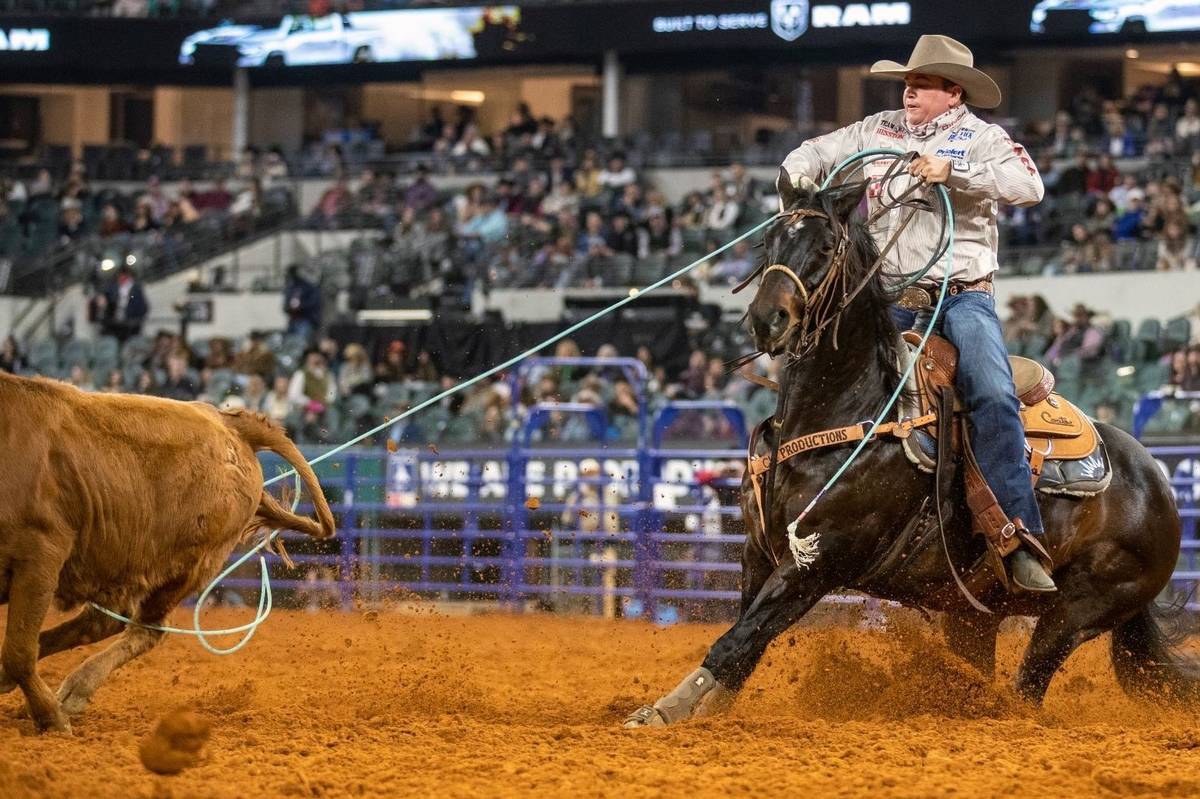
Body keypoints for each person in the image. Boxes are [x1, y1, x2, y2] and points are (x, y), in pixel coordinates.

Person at [781, 35, 1055, 592]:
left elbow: (1028, 186)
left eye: (922, 83)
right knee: (816, 367)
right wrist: (799, 176)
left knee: (992, 394)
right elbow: (812, 151)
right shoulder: (873, 131)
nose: (909, 91)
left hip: (961, 297)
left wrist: (954, 174)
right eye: (908, 82)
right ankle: (794, 497)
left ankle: (1018, 534)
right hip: (886, 297)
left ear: (953, 93)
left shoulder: (983, 139)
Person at [100, 265, 149, 343]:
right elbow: (108, 298)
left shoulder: (135, 289)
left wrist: (136, 319)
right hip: (115, 322)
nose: (121, 279)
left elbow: (142, 306)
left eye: (123, 276)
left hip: (129, 322)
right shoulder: (113, 287)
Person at [283, 265, 321, 341]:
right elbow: (286, 304)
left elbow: (313, 303)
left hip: (306, 320)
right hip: (293, 320)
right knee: (290, 344)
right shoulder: (291, 287)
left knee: (300, 343)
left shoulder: (310, 287)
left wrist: (300, 307)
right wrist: (289, 308)